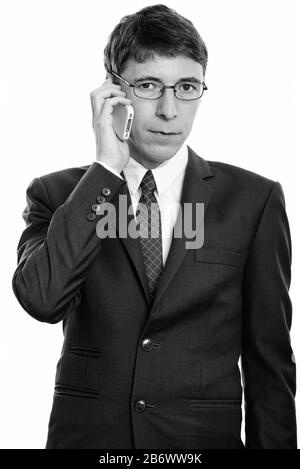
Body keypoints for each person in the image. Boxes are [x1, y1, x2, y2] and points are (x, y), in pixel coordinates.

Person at [12, 4, 297, 449]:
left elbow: (270, 361)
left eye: (186, 87)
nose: (169, 110)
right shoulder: (57, 195)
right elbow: (41, 299)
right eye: (148, 86)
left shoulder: (253, 200)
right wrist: (106, 167)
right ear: (112, 89)